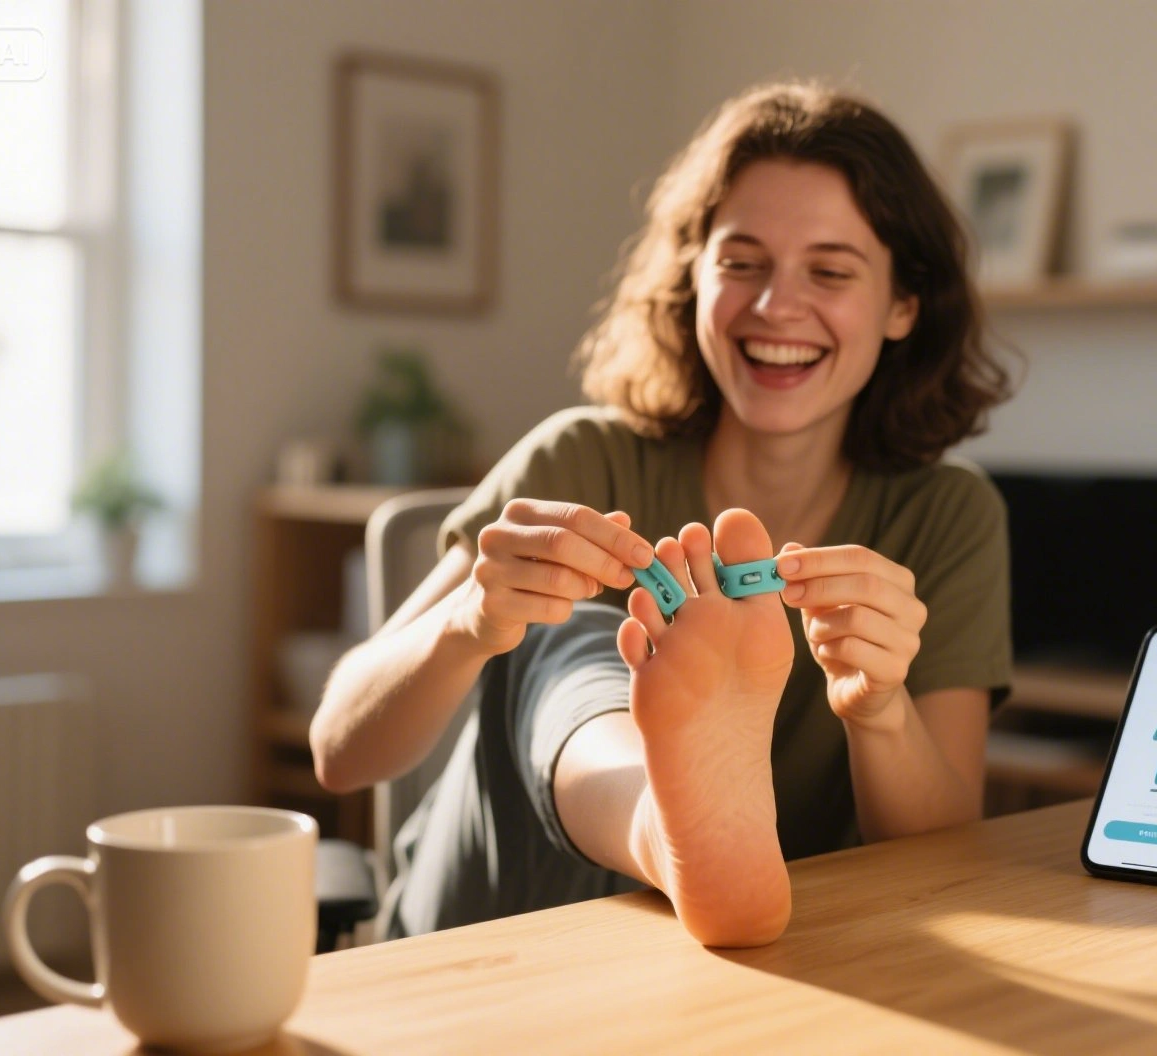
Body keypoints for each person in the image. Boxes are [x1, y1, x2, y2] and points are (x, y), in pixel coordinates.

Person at [309, 80, 1016, 949]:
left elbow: (942, 854)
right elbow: (339, 750)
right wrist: (471, 622)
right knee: (566, 639)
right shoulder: (581, 457)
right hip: (503, 930)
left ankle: (692, 843)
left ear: (903, 304)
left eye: (830, 271)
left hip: (732, 965)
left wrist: (880, 711)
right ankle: (660, 829)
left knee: (588, 634)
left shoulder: (948, 514)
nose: (776, 306)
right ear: (692, 275)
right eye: (741, 263)